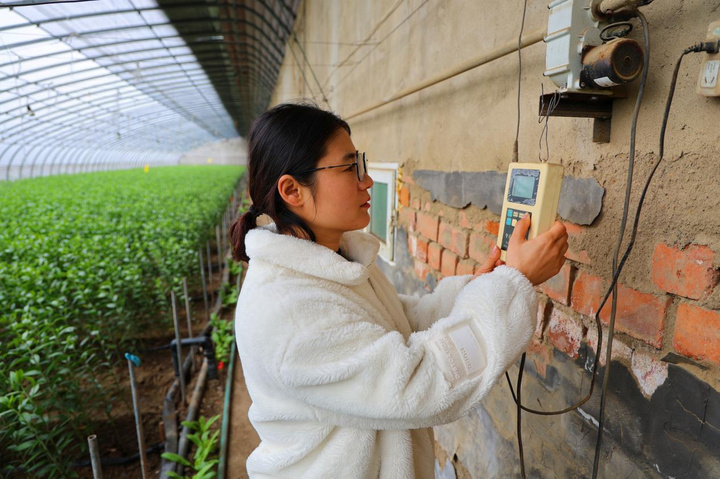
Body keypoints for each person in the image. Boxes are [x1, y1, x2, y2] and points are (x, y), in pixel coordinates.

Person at [230, 102, 568, 479]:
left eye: (361, 163)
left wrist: (481, 287)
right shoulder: (288, 312)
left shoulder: (330, 262)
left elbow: (397, 323)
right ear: (292, 190)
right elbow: (418, 384)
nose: (367, 181)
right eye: (349, 168)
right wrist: (511, 284)